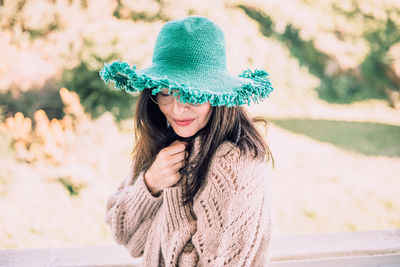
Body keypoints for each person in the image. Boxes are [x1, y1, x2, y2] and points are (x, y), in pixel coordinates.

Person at [100, 15, 275, 267]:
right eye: (166, 92)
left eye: (192, 95)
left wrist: (172, 191)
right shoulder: (165, 145)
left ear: (217, 96)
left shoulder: (234, 162)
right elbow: (125, 235)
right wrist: (150, 184)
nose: (178, 110)